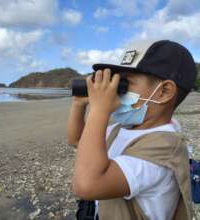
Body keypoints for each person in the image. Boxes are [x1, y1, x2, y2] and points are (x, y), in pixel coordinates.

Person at [67, 40, 197, 220]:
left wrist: (99, 110)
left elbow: (87, 185)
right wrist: (78, 105)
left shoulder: (164, 147)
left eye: (124, 83)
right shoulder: (124, 127)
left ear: (164, 92)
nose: (116, 91)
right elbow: (78, 141)